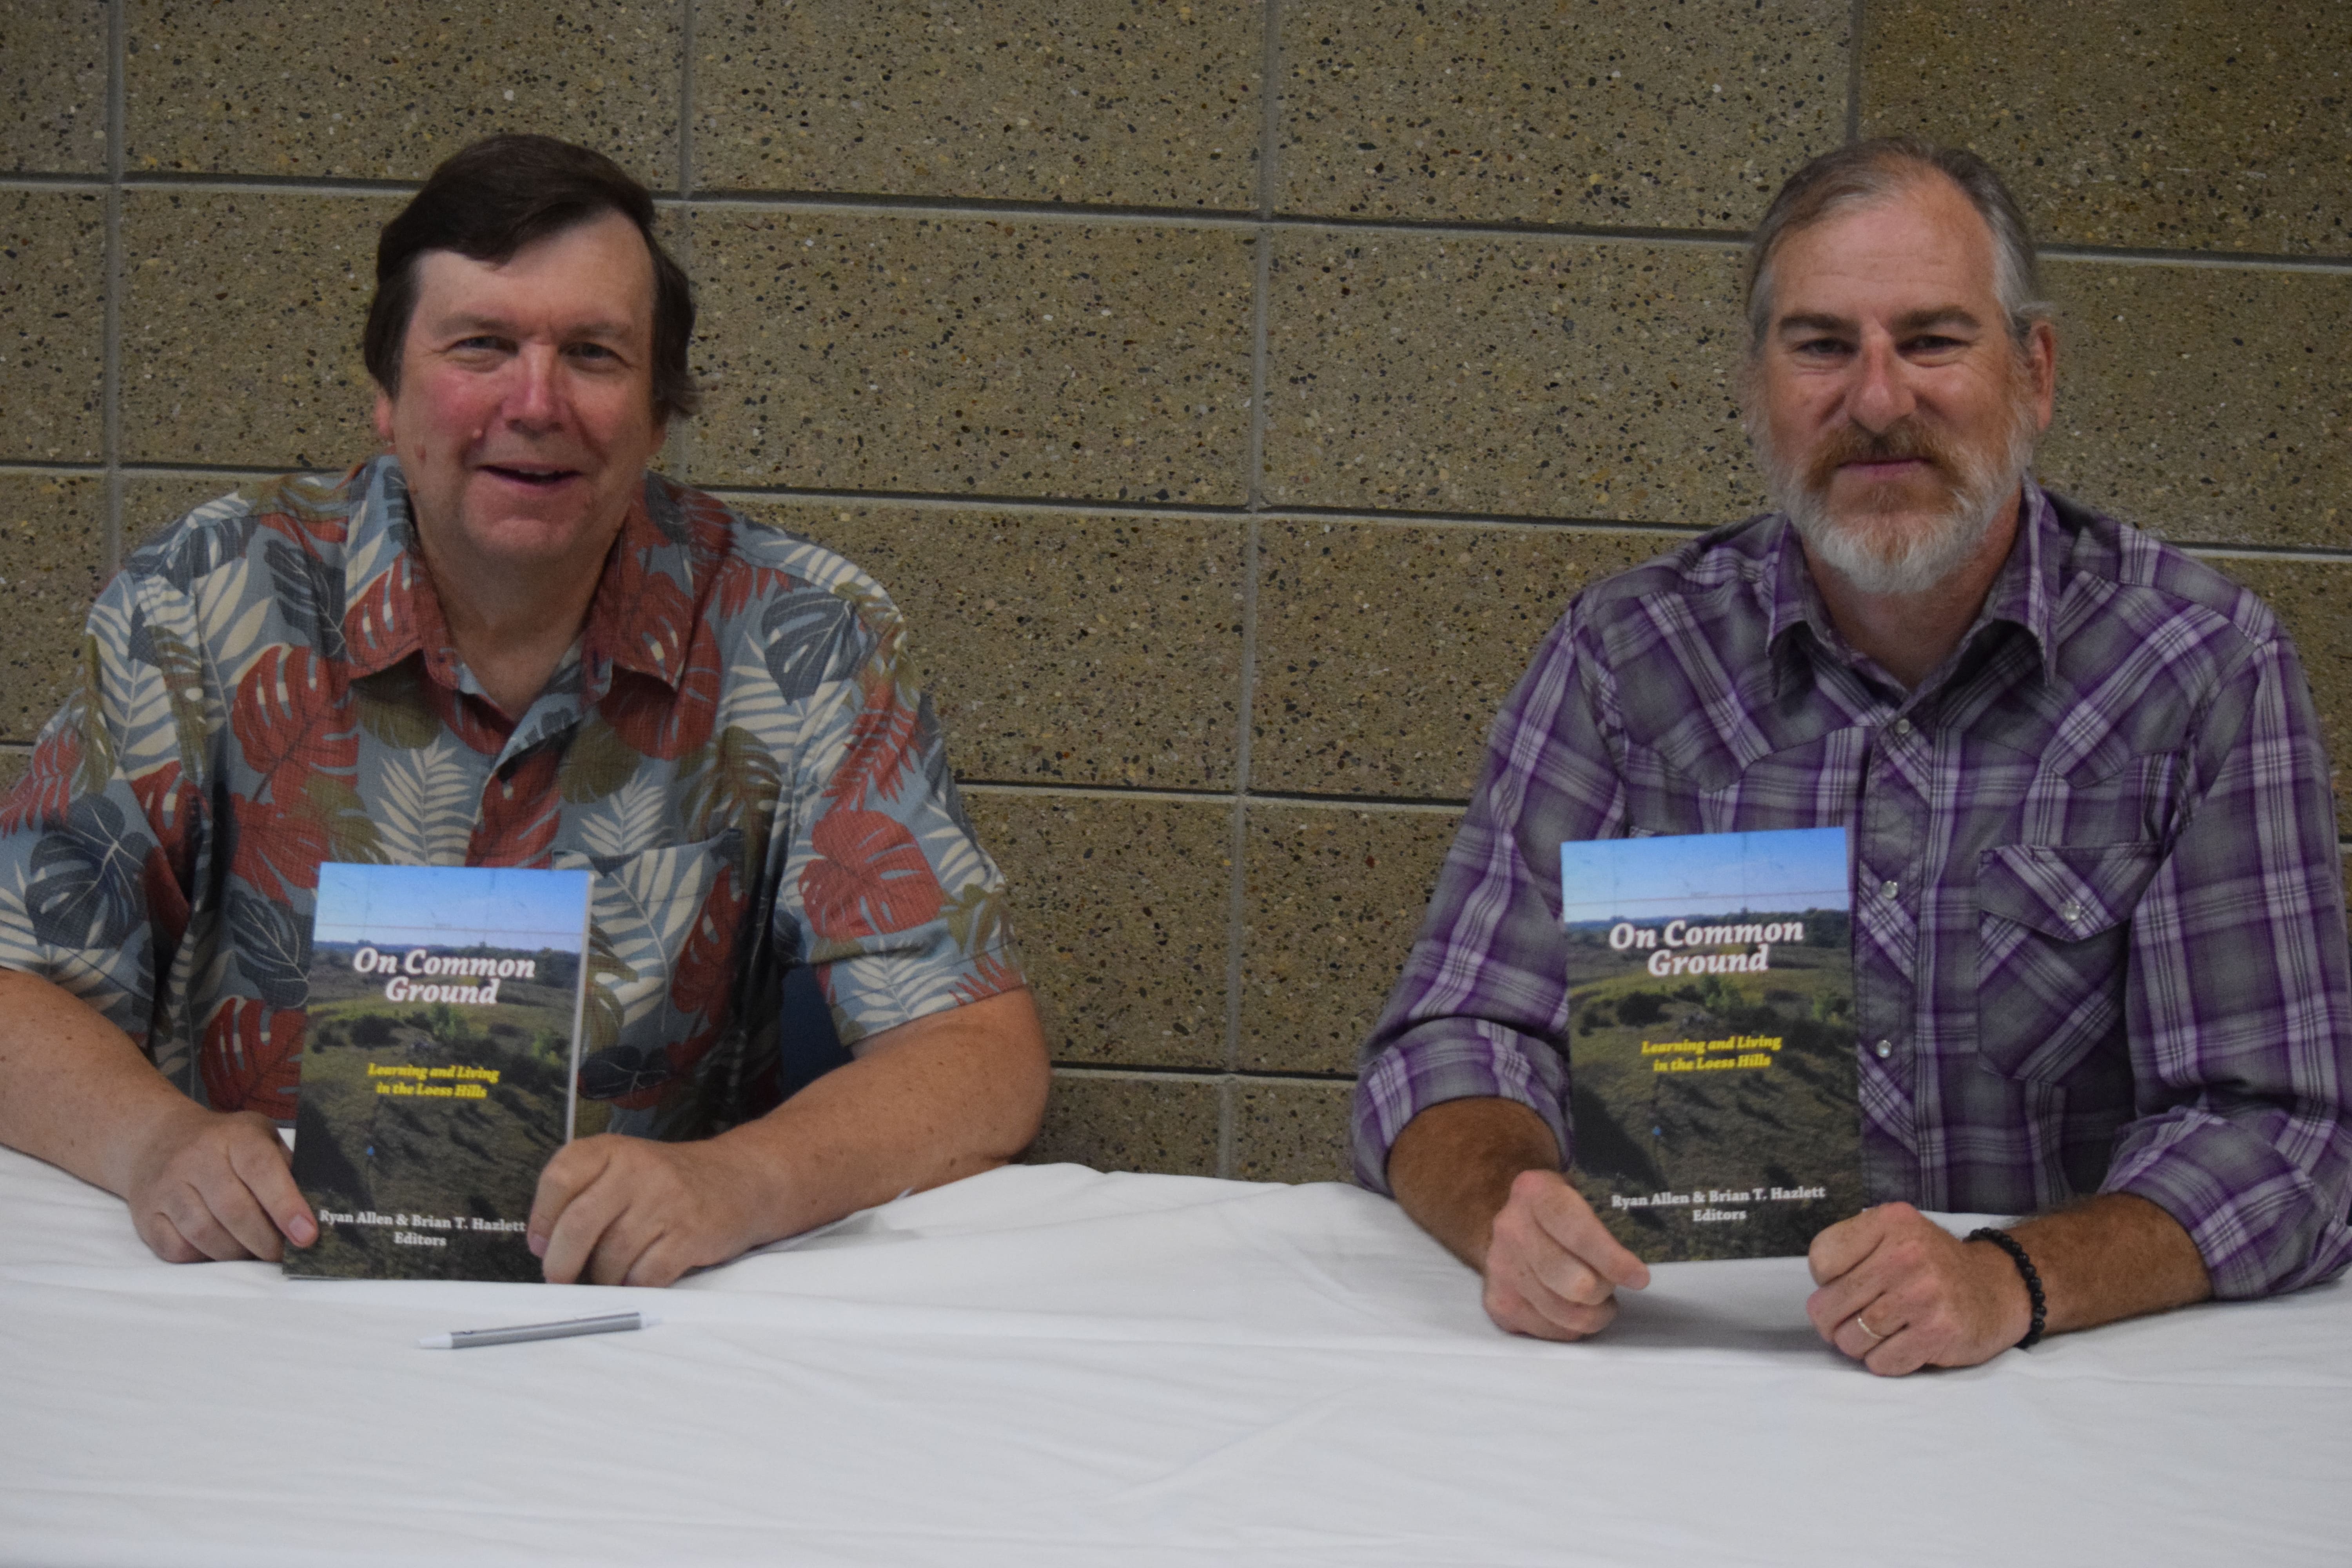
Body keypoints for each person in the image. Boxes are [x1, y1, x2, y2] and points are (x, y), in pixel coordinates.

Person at [1351, 139, 2352, 1376]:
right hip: (1685, 1367)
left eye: (1932, 340)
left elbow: (2281, 1135)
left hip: (2058, 1388)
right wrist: (1508, 1204)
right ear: (1757, 386)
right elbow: (1452, 1038)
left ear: (2033, 374)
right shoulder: (1630, 661)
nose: (1878, 400)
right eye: (1823, 347)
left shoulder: (2197, 670)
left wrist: (2009, 1280)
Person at [0, 134, 1049, 1287]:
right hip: (260, 1294)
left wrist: (742, 1181)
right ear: (386, 394)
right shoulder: (203, 601)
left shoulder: (802, 635)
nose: (535, 402)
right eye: (482, 346)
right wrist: (156, 1145)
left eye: (593, 354)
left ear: (658, 415)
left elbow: (978, 1053)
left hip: (637, 1307)